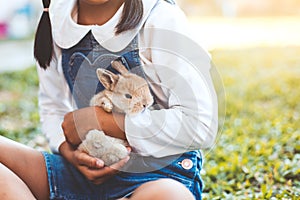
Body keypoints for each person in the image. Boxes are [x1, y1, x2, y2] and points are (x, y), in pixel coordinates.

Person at [0, 0, 218, 199]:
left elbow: (201, 123)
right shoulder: (57, 19)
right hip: (82, 174)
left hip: (157, 177)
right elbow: (53, 107)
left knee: (169, 195)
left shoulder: (161, 17)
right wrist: (70, 152)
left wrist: (107, 122)